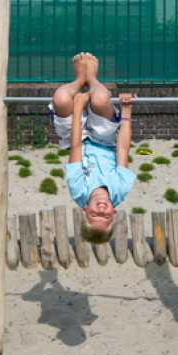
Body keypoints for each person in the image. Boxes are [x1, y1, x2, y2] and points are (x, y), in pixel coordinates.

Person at [51, 52, 135, 244]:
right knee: (100, 99)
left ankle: (80, 79)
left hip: (76, 138)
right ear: (113, 213)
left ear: (85, 210)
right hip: (105, 139)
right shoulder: (120, 188)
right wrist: (126, 113)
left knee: (61, 99)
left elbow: (76, 146)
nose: (101, 209)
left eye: (94, 215)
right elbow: (122, 149)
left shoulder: (78, 190)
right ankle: (91, 78)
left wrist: (78, 106)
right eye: (105, 216)